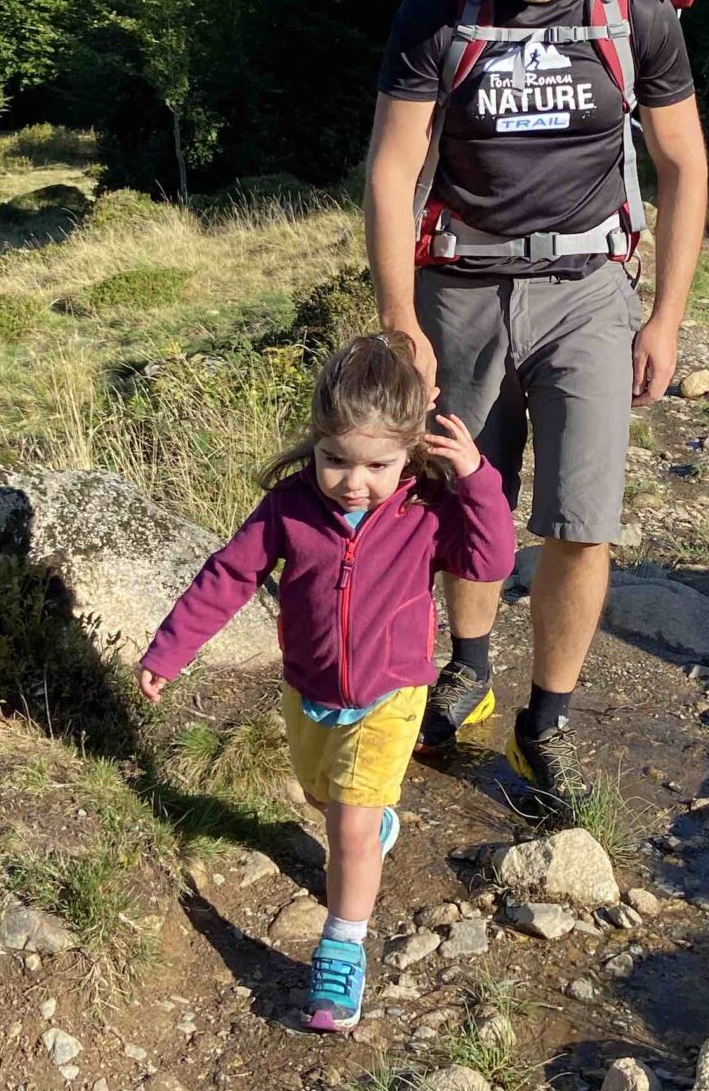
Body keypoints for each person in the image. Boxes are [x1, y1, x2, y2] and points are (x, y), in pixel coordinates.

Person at [364, 0, 709, 815]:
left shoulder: (636, 10)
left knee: (582, 518)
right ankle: (466, 669)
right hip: (459, 286)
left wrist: (666, 319)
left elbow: (684, 168)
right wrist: (400, 319)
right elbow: (391, 169)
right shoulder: (440, 8)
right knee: (467, 499)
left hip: (589, 293)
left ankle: (545, 719)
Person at [138, 332, 516, 1033]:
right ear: (313, 443)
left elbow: (490, 559)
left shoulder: (426, 511)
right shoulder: (289, 507)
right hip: (308, 687)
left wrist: (476, 480)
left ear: (411, 453)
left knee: (346, 825)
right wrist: (170, 650)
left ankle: (342, 948)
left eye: (376, 464)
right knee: (321, 796)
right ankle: (371, 831)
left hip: (392, 693)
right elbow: (229, 575)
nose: (352, 480)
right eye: (335, 459)